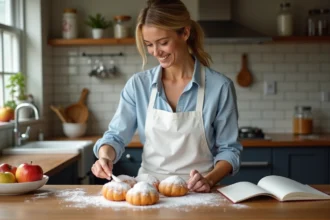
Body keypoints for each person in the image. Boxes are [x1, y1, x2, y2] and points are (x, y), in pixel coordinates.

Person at [91, 0, 242, 193]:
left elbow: (229, 150)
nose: (156, 52)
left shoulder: (219, 87)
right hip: (148, 190)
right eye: (149, 45)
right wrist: (105, 157)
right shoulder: (139, 85)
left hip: (199, 191)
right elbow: (115, 137)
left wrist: (209, 179)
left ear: (185, 33)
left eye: (163, 42)